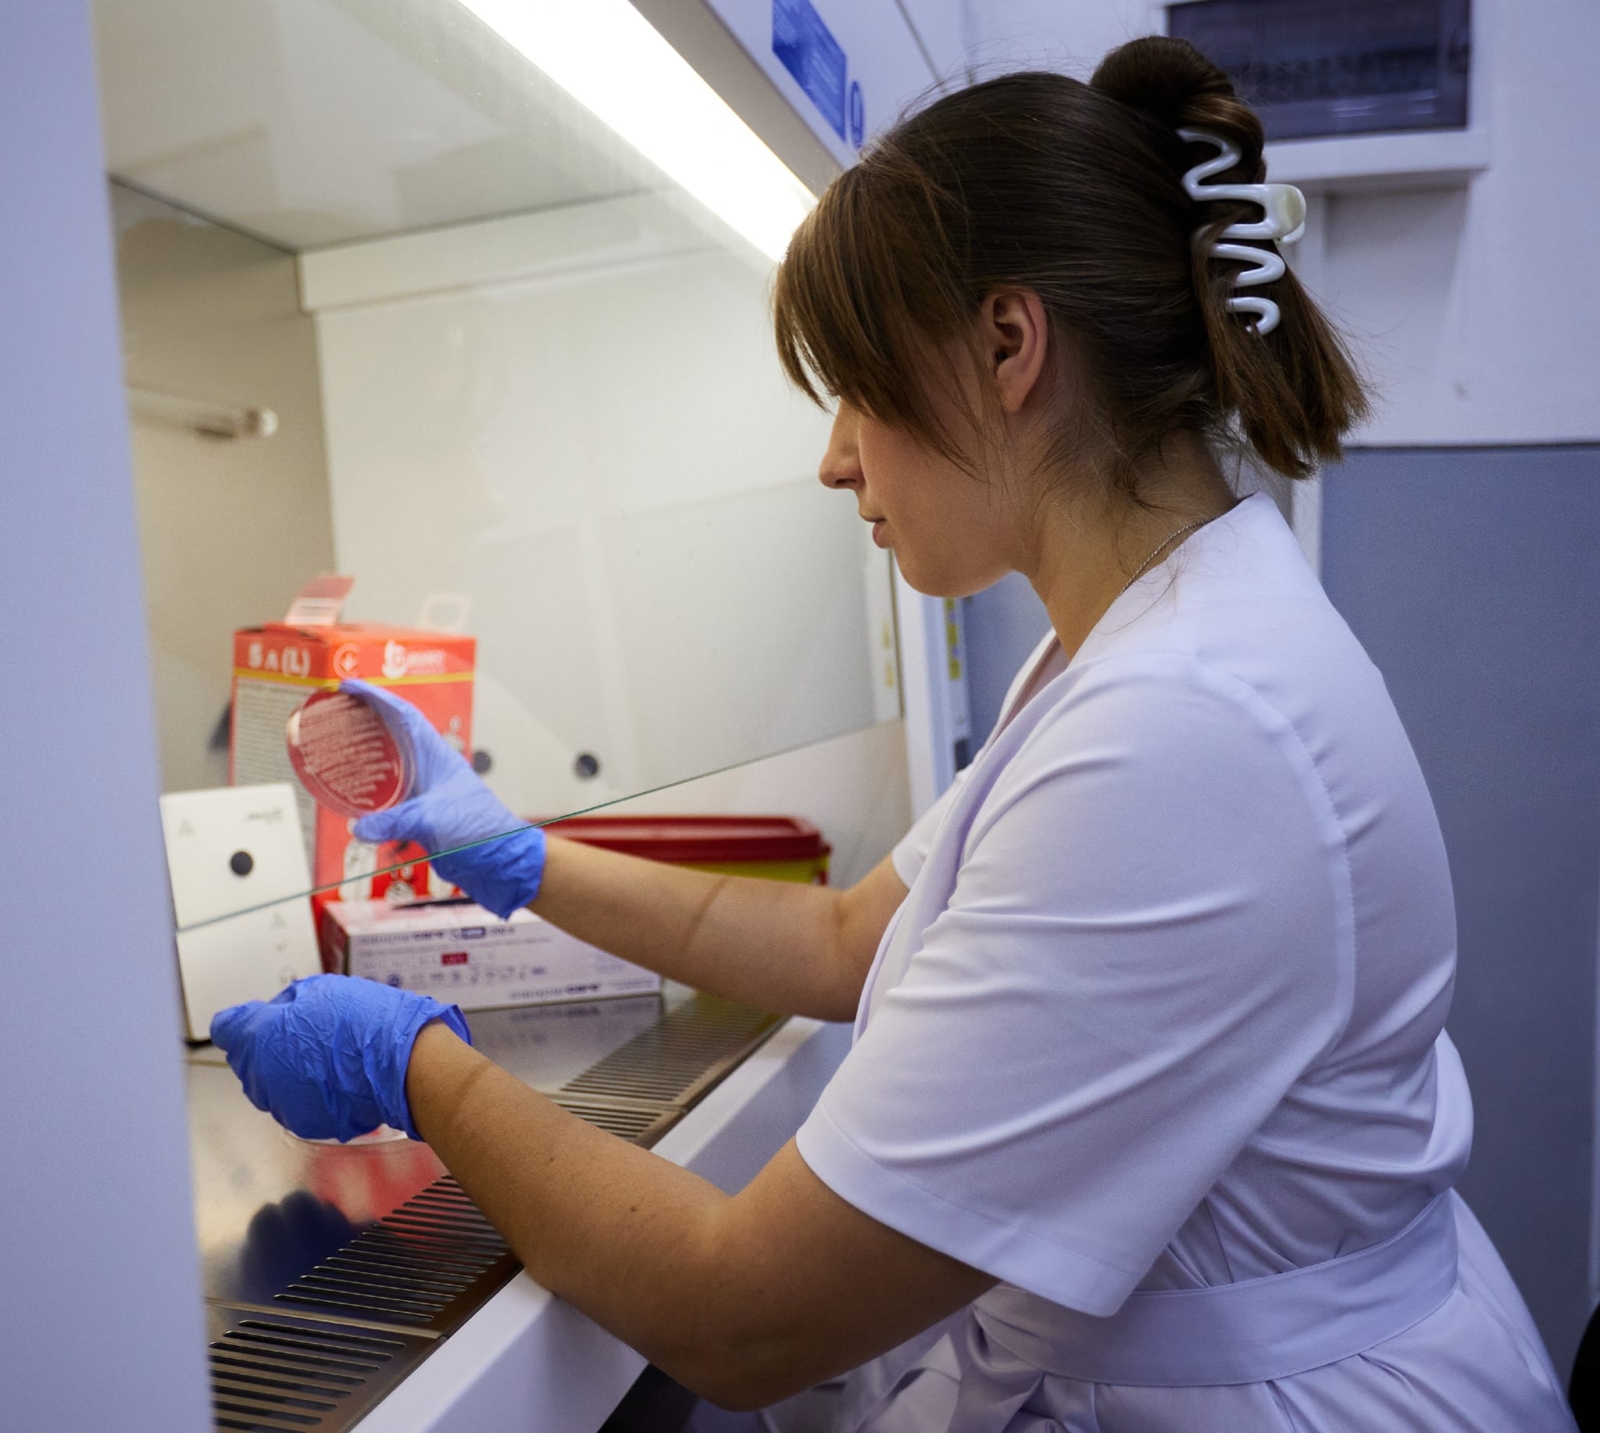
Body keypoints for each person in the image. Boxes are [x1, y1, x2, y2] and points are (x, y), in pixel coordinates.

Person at [211, 37, 1578, 1432]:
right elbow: (846, 938)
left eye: (858, 385)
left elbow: (742, 1313)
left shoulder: (1185, 730)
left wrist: (416, 1069)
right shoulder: (1142, 640)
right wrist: (513, 853)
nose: (835, 457)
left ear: (1006, 346)